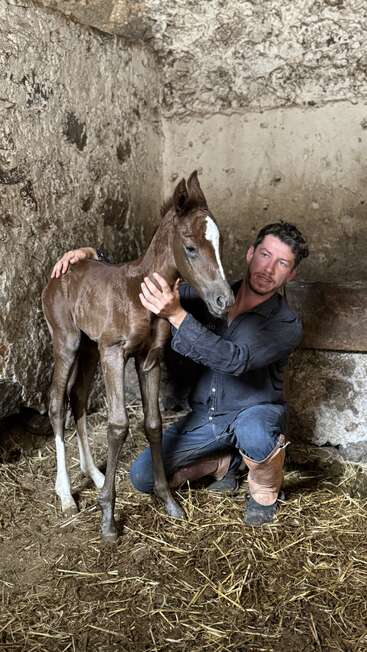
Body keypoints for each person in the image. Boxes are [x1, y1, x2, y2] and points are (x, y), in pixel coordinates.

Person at [51, 221, 309, 526]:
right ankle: (224, 462)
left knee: (256, 434)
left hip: (252, 412)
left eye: (282, 263)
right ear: (250, 253)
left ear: (291, 274)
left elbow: (235, 361)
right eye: (265, 255)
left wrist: (176, 314)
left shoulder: (286, 323)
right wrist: (93, 257)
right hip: (208, 417)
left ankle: (264, 489)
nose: (268, 268)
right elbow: (143, 283)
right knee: (143, 476)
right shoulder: (214, 295)